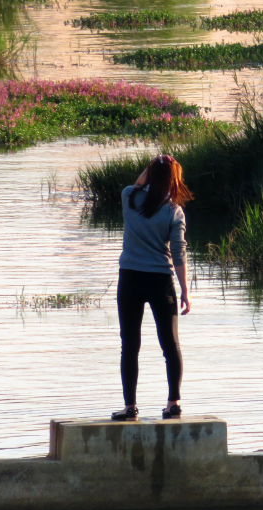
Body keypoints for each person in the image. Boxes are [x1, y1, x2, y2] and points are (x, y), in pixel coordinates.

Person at [113, 154, 193, 421]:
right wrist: (185, 290)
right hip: (160, 281)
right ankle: (173, 403)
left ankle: (130, 408)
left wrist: (152, 166)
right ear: (173, 180)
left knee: (130, 345)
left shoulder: (129, 198)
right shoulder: (174, 211)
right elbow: (179, 254)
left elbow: (137, 184)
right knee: (170, 345)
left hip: (130, 280)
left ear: (148, 174)